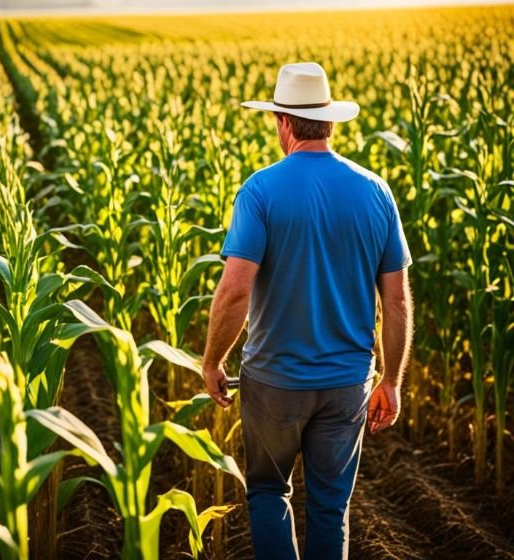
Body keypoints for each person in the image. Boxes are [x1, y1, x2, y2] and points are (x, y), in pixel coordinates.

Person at [201, 62, 414, 560]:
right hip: (346, 385)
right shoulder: (375, 191)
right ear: (330, 121)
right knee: (329, 505)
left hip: (274, 381)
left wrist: (212, 361)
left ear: (283, 122)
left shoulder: (261, 190)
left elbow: (234, 291)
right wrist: (392, 380)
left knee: (270, 492)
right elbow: (398, 300)